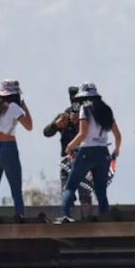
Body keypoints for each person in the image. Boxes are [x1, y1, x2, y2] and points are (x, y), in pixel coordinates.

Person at [57, 82, 122, 222]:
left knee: (71, 185)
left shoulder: (85, 109)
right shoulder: (107, 110)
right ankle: (105, 217)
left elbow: (83, 133)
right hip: (103, 152)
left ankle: (64, 214)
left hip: (87, 151)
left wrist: (70, 146)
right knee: (101, 190)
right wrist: (116, 149)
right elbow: (118, 134)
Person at [0, 80, 33, 217]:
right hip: (9, 148)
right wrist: (24, 106)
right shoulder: (14, 107)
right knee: (16, 192)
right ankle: (20, 221)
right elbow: (29, 126)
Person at [44, 86, 92, 215]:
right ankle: (67, 218)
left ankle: (87, 222)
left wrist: (80, 124)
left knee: (85, 196)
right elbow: (47, 132)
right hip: (67, 160)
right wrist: (56, 125)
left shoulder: (88, 115)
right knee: (67, 193)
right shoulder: (64, 116)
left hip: (84, 159)